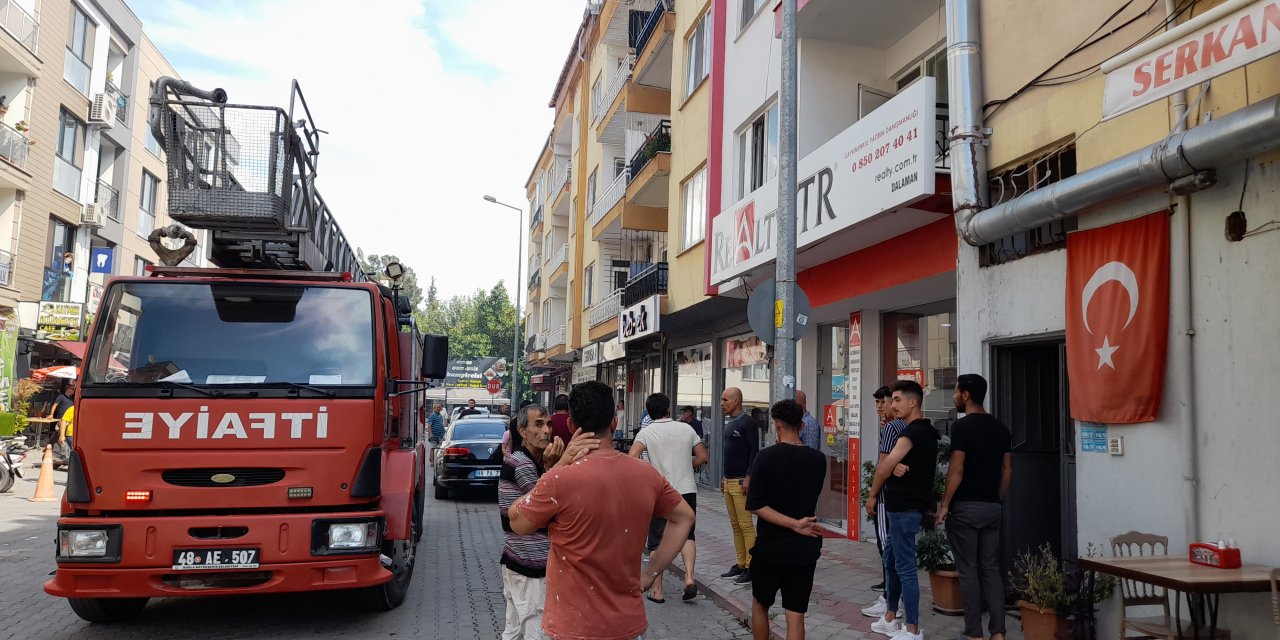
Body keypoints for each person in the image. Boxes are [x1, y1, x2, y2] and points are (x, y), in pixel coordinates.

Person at [508, 381, 695, 640]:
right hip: (626, 624)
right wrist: (650, 574)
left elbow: (517, 522)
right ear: (614, 423)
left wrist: (557, 466)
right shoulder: (646, 475)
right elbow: (685, 517)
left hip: (572, 626)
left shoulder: (559, 479)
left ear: (572, 426)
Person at [937, 375, 1012, 640]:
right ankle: (999, 632)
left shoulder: (962, 428)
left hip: (965, 508)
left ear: (966, 394)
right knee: (990, 568)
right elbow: (1007, 471)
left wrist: (945, 504)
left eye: (957, 391)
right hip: (991, 507)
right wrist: (995, 498)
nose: (955, 396)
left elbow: (956, 469)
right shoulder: (1001, 428)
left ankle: (973, 633)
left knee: (968, 570)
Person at [746, 399, 827, 640]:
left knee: (761, 605)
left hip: (770, 546)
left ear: (777, 424)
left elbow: (756, 505)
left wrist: (793, 524)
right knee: (796, 613)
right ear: (801, 425)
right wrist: (798, 524)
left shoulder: (766, 457)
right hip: (804, 548)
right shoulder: (818, 459)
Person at [864, 380, 938, 639]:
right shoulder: (926, 432)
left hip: (904, 508)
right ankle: (890, 617)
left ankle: (913, 628)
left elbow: (883, 467)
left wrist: (875, 491)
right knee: (891, 560)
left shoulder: (911, 434)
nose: (891, 405)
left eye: (896, 400)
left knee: (905, 567)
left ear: (912, 402)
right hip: (904, 507)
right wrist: (893, 467)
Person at [629, 393, 708, 603]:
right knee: (688, 535)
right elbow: (703, 457)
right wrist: (686, 466)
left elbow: (631, 459)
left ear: (649, 411)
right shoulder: (686, 428)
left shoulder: (646, 433)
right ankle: (690, 577)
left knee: (656, 541)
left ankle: (657, 590)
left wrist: (650, 473)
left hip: (661, 492)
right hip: (687, 488)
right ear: (669, 409)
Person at [498, 404, 562, 639]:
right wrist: (555, 466)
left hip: (517, 560)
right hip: (529, 566)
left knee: (513, 631)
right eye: (539, 424)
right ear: (522, 431)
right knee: (537, 632)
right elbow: (544, 506)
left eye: (549, 424)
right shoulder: (523, 463)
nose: (546, 430)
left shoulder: (527, 461)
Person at [862, 386, 909, 608]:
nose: (881, 407)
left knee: (887, 545)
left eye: (886, 401)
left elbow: (883, 465)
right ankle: (890, 593)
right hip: (902, 496)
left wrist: (872, 495)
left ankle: (890, 600)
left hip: (887, 495)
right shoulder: (906, 426)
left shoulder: (892, 427)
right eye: (877, 402)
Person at [719, 386, 759, 585]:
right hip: (729, 481)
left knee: (745, 525)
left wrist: (749, 476)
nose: (722, 403)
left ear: (736, 401)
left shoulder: (747, 422)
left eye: (725, 399)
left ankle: (752, 566)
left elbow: (754, 451)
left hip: (741, 481)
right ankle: (741, 563)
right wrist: (723, 478)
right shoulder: (730, 423)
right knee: (735, 526)